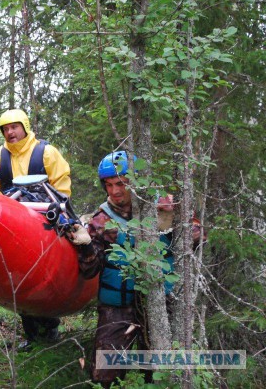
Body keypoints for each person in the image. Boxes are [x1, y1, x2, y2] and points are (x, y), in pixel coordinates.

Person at [76, 151, 205, 387]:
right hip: (117, 306)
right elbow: (89, 270)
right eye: (109, 184)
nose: (115, 191)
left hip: (159, 305)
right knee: (105, 377)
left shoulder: (165, 206)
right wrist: (84, 245)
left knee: (158, 374)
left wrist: (176, 218)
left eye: (121, 184)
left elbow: (197, 239)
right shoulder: (100, 221)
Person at [0, 108, 72, 350]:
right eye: (5, 129)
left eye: (14, 127)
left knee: (44, 274)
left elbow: (62, 187)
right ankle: (32, 335)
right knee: (20, 276)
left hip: (45, 221)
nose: (10, 132)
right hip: (13, 226)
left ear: (24, 126)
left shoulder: (46, 153)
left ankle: (50, 328)